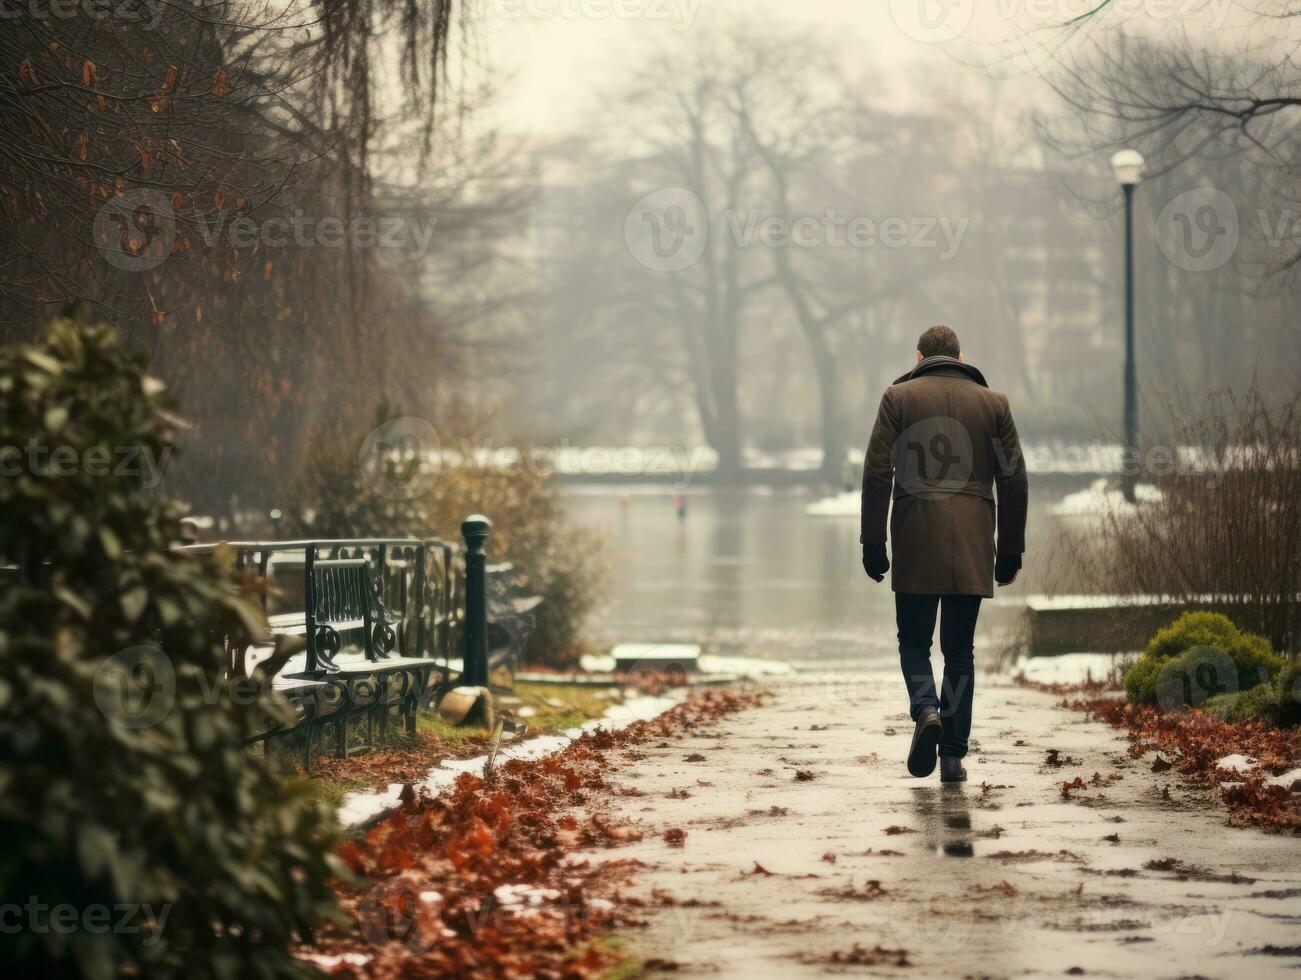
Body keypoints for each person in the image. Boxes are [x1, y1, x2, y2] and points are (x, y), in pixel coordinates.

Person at [860, 324, 1028, 783]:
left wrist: (872, 540)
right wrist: (1009, 550)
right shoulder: (995, 405)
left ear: (919, 357)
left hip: (916, 534)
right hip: (973, 540)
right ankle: (953, 756)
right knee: (959, 651)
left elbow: (877, 470)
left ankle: (925, 709)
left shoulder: (898, 398)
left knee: (914, 642)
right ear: (960, 355)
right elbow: (1013, 479)